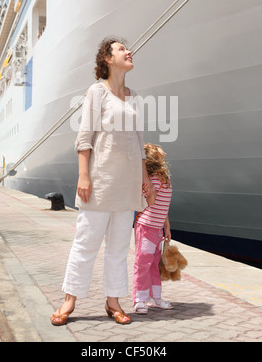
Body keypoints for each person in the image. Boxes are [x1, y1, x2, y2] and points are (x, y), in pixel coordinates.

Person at [50, 37, 153, 326]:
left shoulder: (133, 96)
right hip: (100, 182)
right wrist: (84, 175)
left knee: (120, 246)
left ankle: (113, 301)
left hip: (127, 184)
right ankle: (70, 300)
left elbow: (138, 141)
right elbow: (85, 137)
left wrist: (146, 181)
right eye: (121, 49)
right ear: (107, 59)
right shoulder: (97, 92)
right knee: (86, 243)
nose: (128, 51)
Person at [132, 143, 174, 314]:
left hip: (157, 229)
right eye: (157, 148)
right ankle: (139, 299)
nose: (161, 149)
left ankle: (155, 297)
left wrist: (167, 226)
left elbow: (163, 207)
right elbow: (147, 202)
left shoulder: (164, 178)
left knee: (154, 265)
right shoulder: (150, 180)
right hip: (146, 227)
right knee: (143, 264)